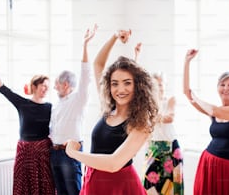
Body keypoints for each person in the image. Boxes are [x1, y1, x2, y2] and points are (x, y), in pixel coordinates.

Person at [65, 29, 159, 195]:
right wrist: (115, 36)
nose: (120, 89)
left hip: (120, 187)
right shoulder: (108, 108)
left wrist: (73, 153)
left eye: (127, 83)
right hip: (94, 182)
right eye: (115, 83)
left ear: (138, 86)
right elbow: (98, 65)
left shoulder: (142, 123)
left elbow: (113, 163)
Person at [0, 46, 55, 195]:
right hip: (24, 152)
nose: (46, 89)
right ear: (34, 86)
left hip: (43, 153)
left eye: (48, 87)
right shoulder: (23, 103)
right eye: (43, 86)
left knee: (45, 188)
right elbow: (2, 88)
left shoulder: (51, 107)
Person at [183, 49, 229, 195]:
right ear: (217, 88)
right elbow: (187, 94)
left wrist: (196, 98)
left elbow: (216, 111)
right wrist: (187, 62)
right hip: (208, 162)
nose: (226, 88)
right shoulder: (214, 111)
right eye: (222, 84)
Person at [49, 25, 97, 195]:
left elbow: (86, 76)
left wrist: (85, 46)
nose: (54, 87)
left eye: (56, 84)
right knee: (61, 192)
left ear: (66, 85)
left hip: (70, 155)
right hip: (54, 153)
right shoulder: (56, 104)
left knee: (74, 192)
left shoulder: (78, 100)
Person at [134, 43, 184, 195]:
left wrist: (148, 116)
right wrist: (136, 57)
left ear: (165, 85)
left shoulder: (170, 100)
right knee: (148, 188)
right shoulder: (146, 103)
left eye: (161, 84)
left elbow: (169, 118)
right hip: (153, 148)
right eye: (156, 85)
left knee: (172, 191)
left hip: (171, 148)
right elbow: (136, 83)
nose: (159, 87)